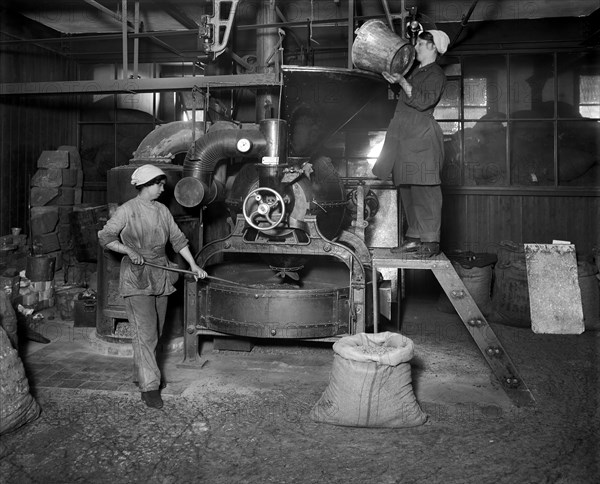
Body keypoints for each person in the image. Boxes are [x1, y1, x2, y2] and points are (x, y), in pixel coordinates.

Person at [98, 164, 207, 409]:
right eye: (159, 184)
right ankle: (150, 388)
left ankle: (142, 375)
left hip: (160, 273)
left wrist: (193, 266)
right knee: (145, 333)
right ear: (146, 185)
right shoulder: (127, 211)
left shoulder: (162, 211)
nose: (162, 188)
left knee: (154, 333)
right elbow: (105, 237)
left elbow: (178, 240)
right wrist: (128, 250)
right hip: (136, 277)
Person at [372, 29, 450, 257]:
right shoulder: (418, 71)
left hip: (422, 138)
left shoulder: (436, 74)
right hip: (405, 137)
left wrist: (403, 81)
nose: (415, 46)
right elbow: (409, 96)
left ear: (433, 47)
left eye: (419, 43)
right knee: (408, 188)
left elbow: (424, 101)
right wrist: (397, 82)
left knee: (426, 190)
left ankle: (431, 241)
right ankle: (415, 237)